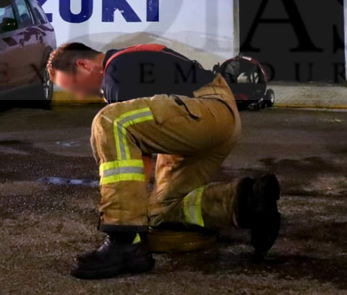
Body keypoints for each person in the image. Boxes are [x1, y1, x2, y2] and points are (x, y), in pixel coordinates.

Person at [47, 42, 281, 279]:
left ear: (83, 64)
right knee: (160, 213)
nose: (79, 95)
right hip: (212, 116)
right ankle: (248, 202)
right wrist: (140, 211)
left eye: (74, 86)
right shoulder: (132, 60)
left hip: (205, 111)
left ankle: (123, 242)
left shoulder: (117, 71)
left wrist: (125, 220)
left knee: (109, 122)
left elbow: (137, 157)